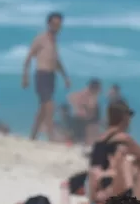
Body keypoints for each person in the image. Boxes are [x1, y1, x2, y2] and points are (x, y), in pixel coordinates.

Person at [86, 101, 140, 204]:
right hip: (111, 186)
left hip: (97, 187)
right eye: (130, 116)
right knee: (138, 162)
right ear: (124, 117)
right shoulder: (123, 138)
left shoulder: (100, 139)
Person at [22, 12, 71, 141]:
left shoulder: (54, 41)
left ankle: (33, 136)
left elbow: (56, 61)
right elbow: (28, 57)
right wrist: (25, 77)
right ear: (49, 24)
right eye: (54, 24)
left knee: (43, 109)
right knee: (50, 105)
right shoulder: (41, 38)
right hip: (41, 74)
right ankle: (51, 136)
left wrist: (65, 77)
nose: (57, 27)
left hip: (51, 76)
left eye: (59, 24)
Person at [68, 78, 103, 145]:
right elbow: (91, 110)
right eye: (99, 88)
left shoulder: (82, 93)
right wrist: (83, 107)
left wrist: (78, 106)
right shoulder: (92, 96)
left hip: (77, 118)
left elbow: (70, 97)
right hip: (83, 120)